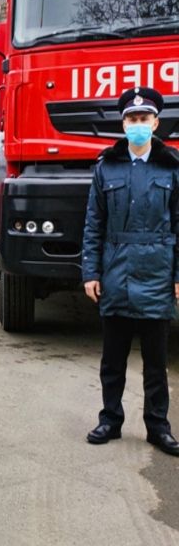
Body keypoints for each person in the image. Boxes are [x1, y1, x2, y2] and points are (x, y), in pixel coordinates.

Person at [82, 86, 179, 456]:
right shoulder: (107, 167)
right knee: (113, 359)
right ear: (123, 124)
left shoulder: (171, 168)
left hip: (156, 274)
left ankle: (158, 427)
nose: (138, 125)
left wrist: (177, 275)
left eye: (144, 119)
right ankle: (110, 419)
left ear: (155, 123)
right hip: (116, 274)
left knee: (156, 362)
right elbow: (93, 224)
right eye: (131, 119)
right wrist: (91, 272)